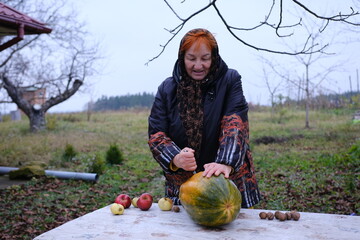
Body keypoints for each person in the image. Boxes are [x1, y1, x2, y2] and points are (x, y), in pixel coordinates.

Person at [148, 28, 261, 208]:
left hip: (228, 185)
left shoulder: (230, 80)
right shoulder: (167, 89)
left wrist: (225, 162)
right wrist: (175, 158)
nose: (198, 66)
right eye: (191, 58)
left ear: (213, 57)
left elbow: (235, 124)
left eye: (205, 58)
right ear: (182, 57)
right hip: (185, 187)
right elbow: (156, 135)